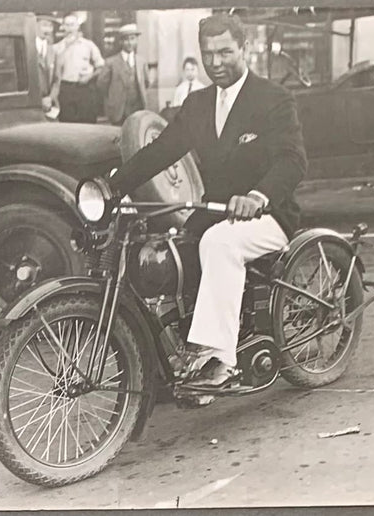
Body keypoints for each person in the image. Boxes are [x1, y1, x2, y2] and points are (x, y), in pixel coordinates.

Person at [109, 13, 307, 388]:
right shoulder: (198, 103)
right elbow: (161, 151)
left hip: (268, 215)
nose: (215, 63)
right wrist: (114, 185)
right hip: (214, 212)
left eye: (225, 52)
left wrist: (257, 195)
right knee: (167, 254)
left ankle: (220, 360)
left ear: (245, 48)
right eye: (207, 53)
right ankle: (174, 350)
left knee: (219, 243)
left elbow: (293, 160)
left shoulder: (273, 100)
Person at [51, 14, 105, 123]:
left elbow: (101, 66)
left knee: (88, 122)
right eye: (67, 25)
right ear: (63, 27)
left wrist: (89, 77)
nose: (70, 28)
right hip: (66, 89)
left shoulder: (88, 45)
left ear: (77, 27)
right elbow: (54, 74)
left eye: (72, 25)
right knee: (68, 123)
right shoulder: (56, 48)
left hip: (85, 89)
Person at [97, 24, 150, 125]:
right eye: (126, 40)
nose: (129, 43)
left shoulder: (141, 61)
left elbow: (146, 83)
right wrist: (113, 98)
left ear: (136, 41)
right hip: (118, 110)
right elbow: (101, 84)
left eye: (132, 39)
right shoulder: (111, 62)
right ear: (121, 42)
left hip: (137, 108)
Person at [35, 15, 57, 114]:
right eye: (44, 25)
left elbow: (57, 80)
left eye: (50, 26)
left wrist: (50, 98)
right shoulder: (27, 47)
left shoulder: (53, 50)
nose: (48, 29)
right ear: (34, 25)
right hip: (32, 104)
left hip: (51, 106)